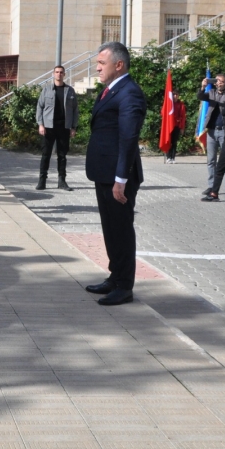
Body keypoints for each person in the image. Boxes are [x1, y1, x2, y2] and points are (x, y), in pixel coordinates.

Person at [84, 42, 146, 307]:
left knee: (121, 229)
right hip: (104, 172)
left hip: (118, 177)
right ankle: (115, 275)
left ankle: (124, 286)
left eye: (101, 63)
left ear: (118, 65)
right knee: (110, 228)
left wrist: (121, 179)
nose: (97, 67)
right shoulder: (111, 90)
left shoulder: (130, 93)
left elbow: (128, 137)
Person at [35, 65, 78, 190]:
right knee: (45, 154)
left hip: (64, 126)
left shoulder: (69, 90)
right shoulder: (47, 90)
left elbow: (75, 110)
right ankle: (42, 181)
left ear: (64, 74)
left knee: (62, 155)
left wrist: (74, 127)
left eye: (61, 72)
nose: (59, 74)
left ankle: (62, 181)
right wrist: (40, 124)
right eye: (57, 72)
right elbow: (40, 107)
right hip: (49, 126)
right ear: (53, 74)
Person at [197, 74, 225, 198]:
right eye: (217, 81)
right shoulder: (211, 92)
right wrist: (203, 86)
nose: (219, 83)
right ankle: (212, 186)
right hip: (212, 131)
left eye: (222, 81)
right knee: (211, 160)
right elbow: (200, 96)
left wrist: (224, 94)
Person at [165, 94, 187, 164]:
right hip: (169, 125)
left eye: (177, 94)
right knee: (169, 141)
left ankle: (173, 157)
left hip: (177, 125)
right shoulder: (169, 104)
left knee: (174, 142)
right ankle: (168, 157)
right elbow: (163, 113)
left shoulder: (181, 105)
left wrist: (182, 127)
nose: (175, 96)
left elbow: (183, 117)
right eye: (174, 94)